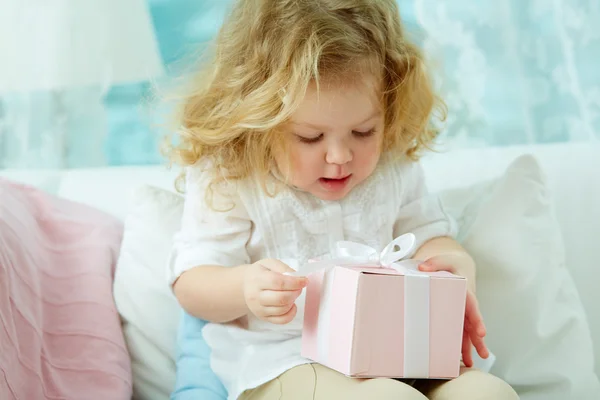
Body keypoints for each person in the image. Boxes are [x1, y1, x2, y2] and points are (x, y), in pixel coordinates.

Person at [165, 1, 519, 399]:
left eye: (364, 131)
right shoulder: (231, 178)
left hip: (402, 353)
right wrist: (245, 286)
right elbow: (192, 284)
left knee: (487, 393)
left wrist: (457, 266)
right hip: (286, 362)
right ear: (258, 120)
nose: (340, 156)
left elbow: (429, 236)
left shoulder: (391, 167)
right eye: (310, 138)